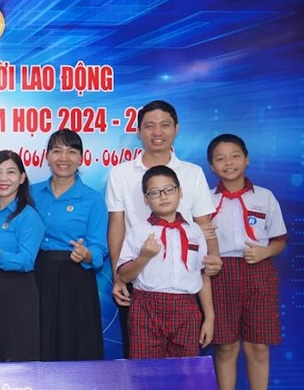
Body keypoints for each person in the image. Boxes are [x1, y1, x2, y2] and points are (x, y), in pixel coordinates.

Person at [106, 100, 220, 357]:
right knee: (142, 361)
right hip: (140, 278)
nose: (157, 132)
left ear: (176, 128)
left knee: (185, 365)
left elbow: (204, 225)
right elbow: (117, 226)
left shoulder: (192, 173)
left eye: (165, 125)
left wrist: (213, 258)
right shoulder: (121, 173)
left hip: (184, 282)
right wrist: (118, 277)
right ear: (138, 131)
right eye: (149, 126)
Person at [206, 134, 288, 390]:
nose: (228, 163)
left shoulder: (265, 197)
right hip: (221, 274)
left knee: (258, 347)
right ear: (212, 166)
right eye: (220, 158)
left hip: (258, 272)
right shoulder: (206, 201)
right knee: (226, 347)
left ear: (247, 159)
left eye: (235, 155)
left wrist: (266, 251)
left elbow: (279, 239)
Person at [116, 166, 214, 359]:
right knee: (146, 369)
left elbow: (203, 275)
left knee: (184, 370)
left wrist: (209, 318)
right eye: (154, 192)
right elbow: (124, 275)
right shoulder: (139, 231)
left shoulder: (194, 231)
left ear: (180, 192)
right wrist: (144, 257)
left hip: (186, 308)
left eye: (169, 189)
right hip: (146, 307)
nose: (163, 196)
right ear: (146, 199)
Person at [31, 129, 108, 361]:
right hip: (36, 277)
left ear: (81, 158)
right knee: (38, 342)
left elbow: (99, 248)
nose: (63, 158)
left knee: (75, 345)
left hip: (75, 279)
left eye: (71, 151)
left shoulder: (92, 199)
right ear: (47, 156)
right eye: (57, 151)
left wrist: (86, 255)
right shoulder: (31, 193)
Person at [0, 151, 45, 362]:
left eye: (11, 172)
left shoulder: (29, 216)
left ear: (22, 178)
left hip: (18, 291)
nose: (3, 178)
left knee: (18, 354)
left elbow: (27, 261)